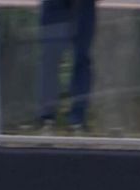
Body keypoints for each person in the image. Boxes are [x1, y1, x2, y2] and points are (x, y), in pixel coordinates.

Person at [37, 0, 97, 133]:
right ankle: (47, 119)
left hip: (84, 6)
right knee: (50, 59)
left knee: (81, 59)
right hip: (55, 6)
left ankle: (77, 120)